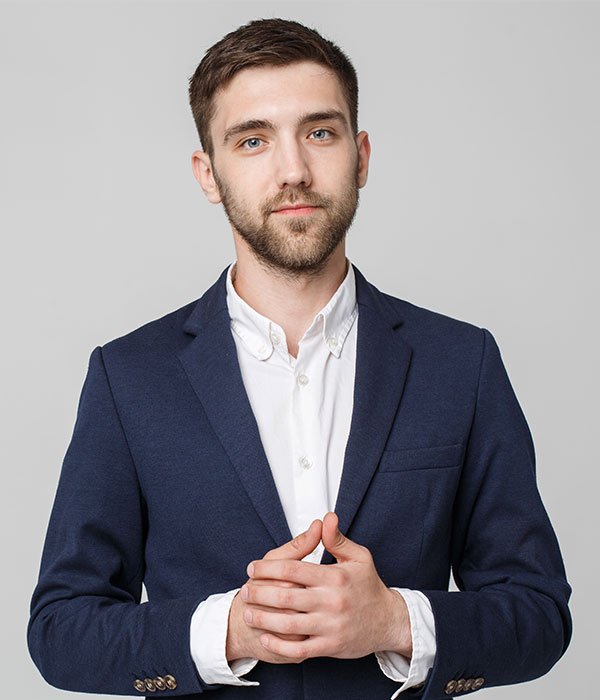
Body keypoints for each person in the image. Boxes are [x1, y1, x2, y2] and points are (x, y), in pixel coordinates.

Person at [27, 17, 572, 700]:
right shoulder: (129, 377)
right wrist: (229, 631)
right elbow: (61, 630)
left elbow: (539, 613)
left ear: (361, 156)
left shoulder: (462, 364)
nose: (293, 171)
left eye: (319, 133)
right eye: (252, 140)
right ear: (208, 174)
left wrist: (396, 621)